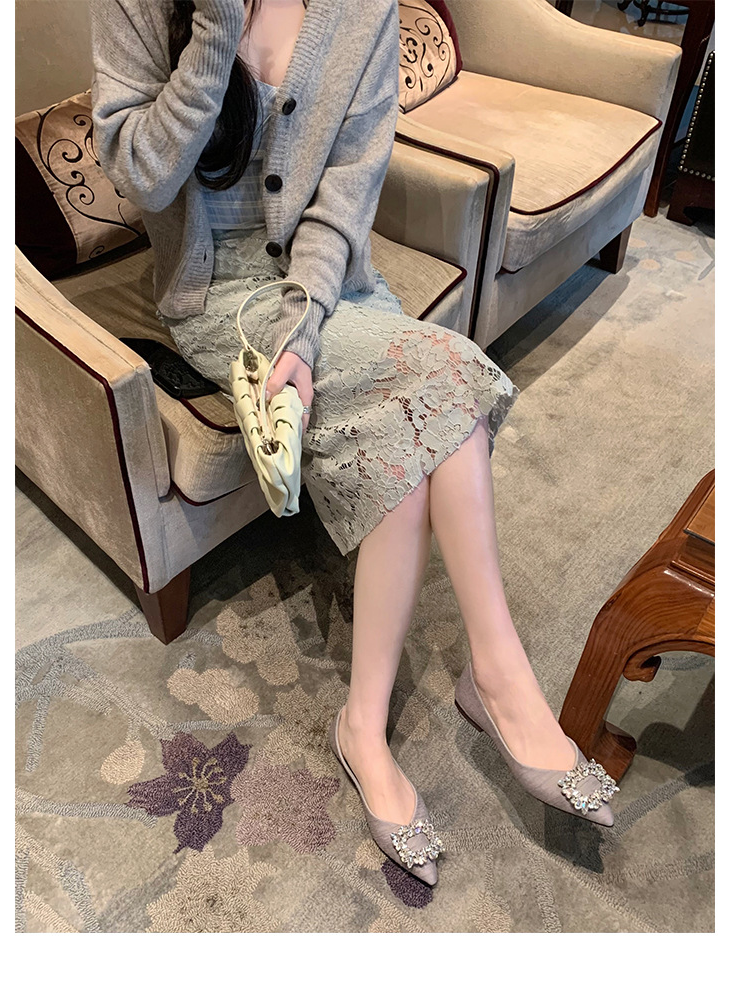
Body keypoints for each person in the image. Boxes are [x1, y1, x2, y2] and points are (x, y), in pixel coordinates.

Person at [90, 0, 618, 889]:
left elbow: (345, 197)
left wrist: (303, 331)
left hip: (329, 286)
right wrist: (215, 30)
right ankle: (487, 688)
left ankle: (392, 715)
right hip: (215, 296)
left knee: (429, 410)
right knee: (445, 389)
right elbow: (140, 175)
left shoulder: (363, 7)